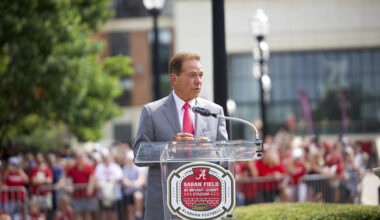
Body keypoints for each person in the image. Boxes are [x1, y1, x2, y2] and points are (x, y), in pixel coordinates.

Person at [133, 52, 228, 220]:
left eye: (200, 75)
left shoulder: (215, 112)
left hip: (203, 204)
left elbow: (226, 156)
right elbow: (139, 155)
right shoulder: (151, 112)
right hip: (165, 206)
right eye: (192, 75)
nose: (198, 81)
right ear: (174, 79)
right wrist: (169, 148)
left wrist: (213, 152)